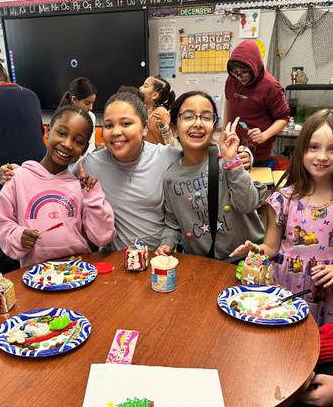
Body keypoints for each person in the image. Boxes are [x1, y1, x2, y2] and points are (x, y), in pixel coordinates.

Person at [234, 109, 333, 326]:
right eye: (314, 147)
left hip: (328, 298)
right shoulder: (283, 199)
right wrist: (254, 250)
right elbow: (271, 247)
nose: (322, 156)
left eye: (332, 149)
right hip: (285, 292)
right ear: (301, 150)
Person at [0, 105, 115, 266]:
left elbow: (102, 236)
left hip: (78, 272)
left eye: (77, 141)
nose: (67, 144)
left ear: (83, 150)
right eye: (61, 133)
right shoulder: (18, 178)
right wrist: (17, 235)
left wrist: (94, 197)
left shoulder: (80, 188)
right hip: (35, 274)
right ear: (48, 131)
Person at [155, 92, 264, 261]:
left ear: (213, 126)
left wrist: (233, 164)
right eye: (188, 116)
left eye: (206, 117)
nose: (198, 123)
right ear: (174, 128)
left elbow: (248, 204)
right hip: (203, 264)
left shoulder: (227, 159)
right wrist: (166, 243)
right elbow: (173, 224)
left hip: (246, 260)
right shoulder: (171, 178)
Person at [72, 91, 183, 249]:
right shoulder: (90, 165)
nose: (116, 132)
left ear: (144, 128)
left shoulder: (167, 157)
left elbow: (199, 164)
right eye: (109, 125)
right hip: (115, 263)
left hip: (159, 260)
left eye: (125, 124)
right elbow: (56, 186)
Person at [0, 59, 47, 190]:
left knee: (7, 209)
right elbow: (40, 132)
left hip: (6, 171)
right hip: (39, 167)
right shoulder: (31, 95)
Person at [224, 39, 290, 168]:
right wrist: (224, 133)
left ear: (254, 67)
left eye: (244, 73)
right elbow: (228, 102)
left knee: (254, 186)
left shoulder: (270, 86)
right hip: (233, 147)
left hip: (257, 153)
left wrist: (263, 136)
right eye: (235, 72)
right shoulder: (232, 80)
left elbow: (283, 119)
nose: (239, 77)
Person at [59, 77, 98, 154]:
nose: (91, 107)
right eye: (87, 103)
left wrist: (97, 145)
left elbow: (90, 139)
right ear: (74, 100)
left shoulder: (91, 116)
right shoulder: (64, 118)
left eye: (92, 103)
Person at [138, 75, 174, 145]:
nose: (140, 88)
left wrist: (164, 126)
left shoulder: (161, 113)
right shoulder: (144, 111)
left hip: (158, 154)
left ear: (154, 95)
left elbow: (170, 141)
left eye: (145, 86)